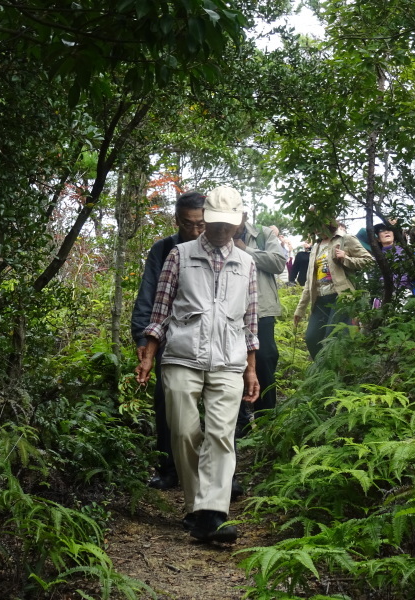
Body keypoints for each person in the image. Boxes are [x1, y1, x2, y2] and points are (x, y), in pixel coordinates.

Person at [135, 186, 260, 544]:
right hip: (181, 356)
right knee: (184, 431)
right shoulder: (179, 255)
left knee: (222, 435)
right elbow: (160, 310)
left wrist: (251, 368)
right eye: (216, 223)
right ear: (205, 218)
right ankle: (195, 507)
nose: (221, 231)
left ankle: (212, 514)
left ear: (238, 223)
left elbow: (250, 322)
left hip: (229, 359)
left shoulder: (246, 263)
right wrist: (148, 353)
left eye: (228, 225)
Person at [131, 191, 206, 491]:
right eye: (189, 224)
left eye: (201, 224)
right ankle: (168, 467)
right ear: (177, 220)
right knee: (165, 401)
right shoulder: (162, 250)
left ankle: (223, 473)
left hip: (211, 338)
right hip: (169, 336)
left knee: (217, 405)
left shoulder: (216, 247)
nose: (196, 231)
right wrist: (142, 336)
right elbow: (148, 295)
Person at [232, 214, 286, 436]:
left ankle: (266, 421)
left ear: (244, 216)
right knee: (233, 362)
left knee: (264, 359)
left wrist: (246, 251)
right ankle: (240, 422)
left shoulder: (263, 234)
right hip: (231, 310)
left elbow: (278, 262)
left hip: (261, 309)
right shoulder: (217, 233)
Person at [293, 219, 373, 358]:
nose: (316, 229)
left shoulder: (345, 239)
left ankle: (334, 374)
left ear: (328, 222)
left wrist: (345, 258)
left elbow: (368, 260)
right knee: (312, 338)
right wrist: (300, 310)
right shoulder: (316, 247)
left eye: (318, 224)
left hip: (340, 296)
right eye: (313, 226)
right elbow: (310, 282)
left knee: (333, 337)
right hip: (320, 299)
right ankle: (321, 373)